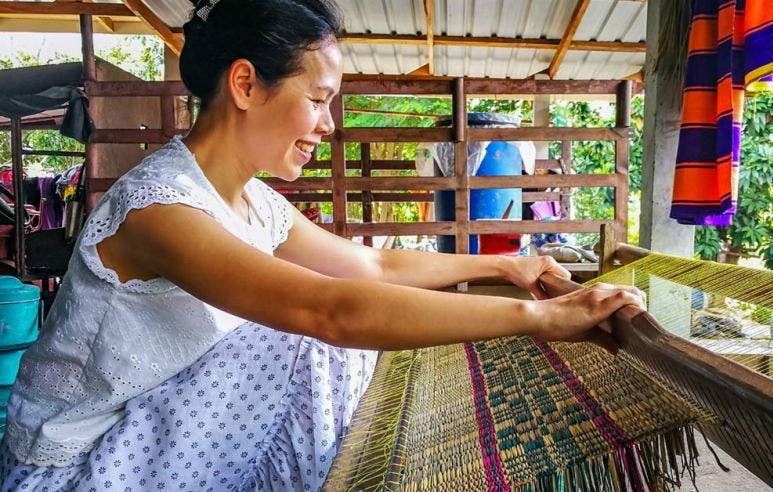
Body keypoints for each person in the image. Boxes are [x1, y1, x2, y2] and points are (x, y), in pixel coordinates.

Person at [0, 0, 645, 490]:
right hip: (75, 469)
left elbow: (375, 262)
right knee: (295, 339)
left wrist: (509, 265)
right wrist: (539, 318)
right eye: (318, 99)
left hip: (148, 440)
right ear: (247, 85)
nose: (328, 126)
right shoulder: (160, 209)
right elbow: (328, 312)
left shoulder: (251, 202)